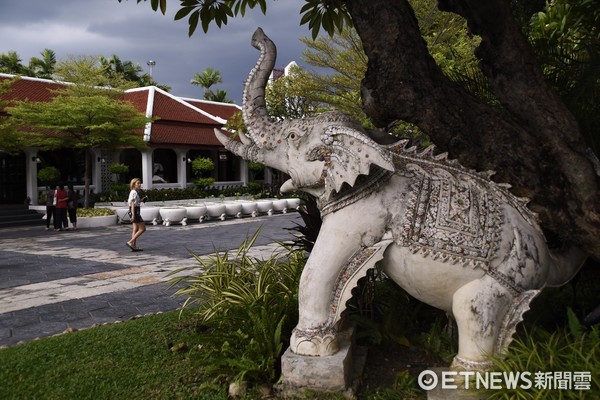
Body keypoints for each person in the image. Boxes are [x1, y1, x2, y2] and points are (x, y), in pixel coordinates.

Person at [126, 178, 146, 251]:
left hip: (134, 211)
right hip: (135, 211)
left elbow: (135, 202)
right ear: (134, 184)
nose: (139, 185)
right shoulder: (134, 192)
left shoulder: (134, 192)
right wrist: (133, 215)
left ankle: (133, 246)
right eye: (138, 183)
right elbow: (132, 203)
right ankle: (130, 242)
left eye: (140, 183)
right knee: (143, 229)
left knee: (135, 229)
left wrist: (142, 200)